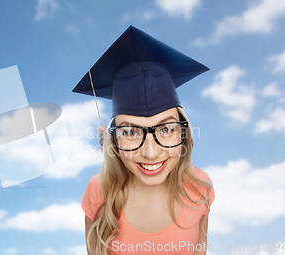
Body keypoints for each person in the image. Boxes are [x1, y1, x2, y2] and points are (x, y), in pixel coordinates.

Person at [72, 26, 216, 255]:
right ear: (113, 140)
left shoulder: (199, 187)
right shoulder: (100, 192)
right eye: (130, 132)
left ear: (183, 134)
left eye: (167, 129)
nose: (150, 153)